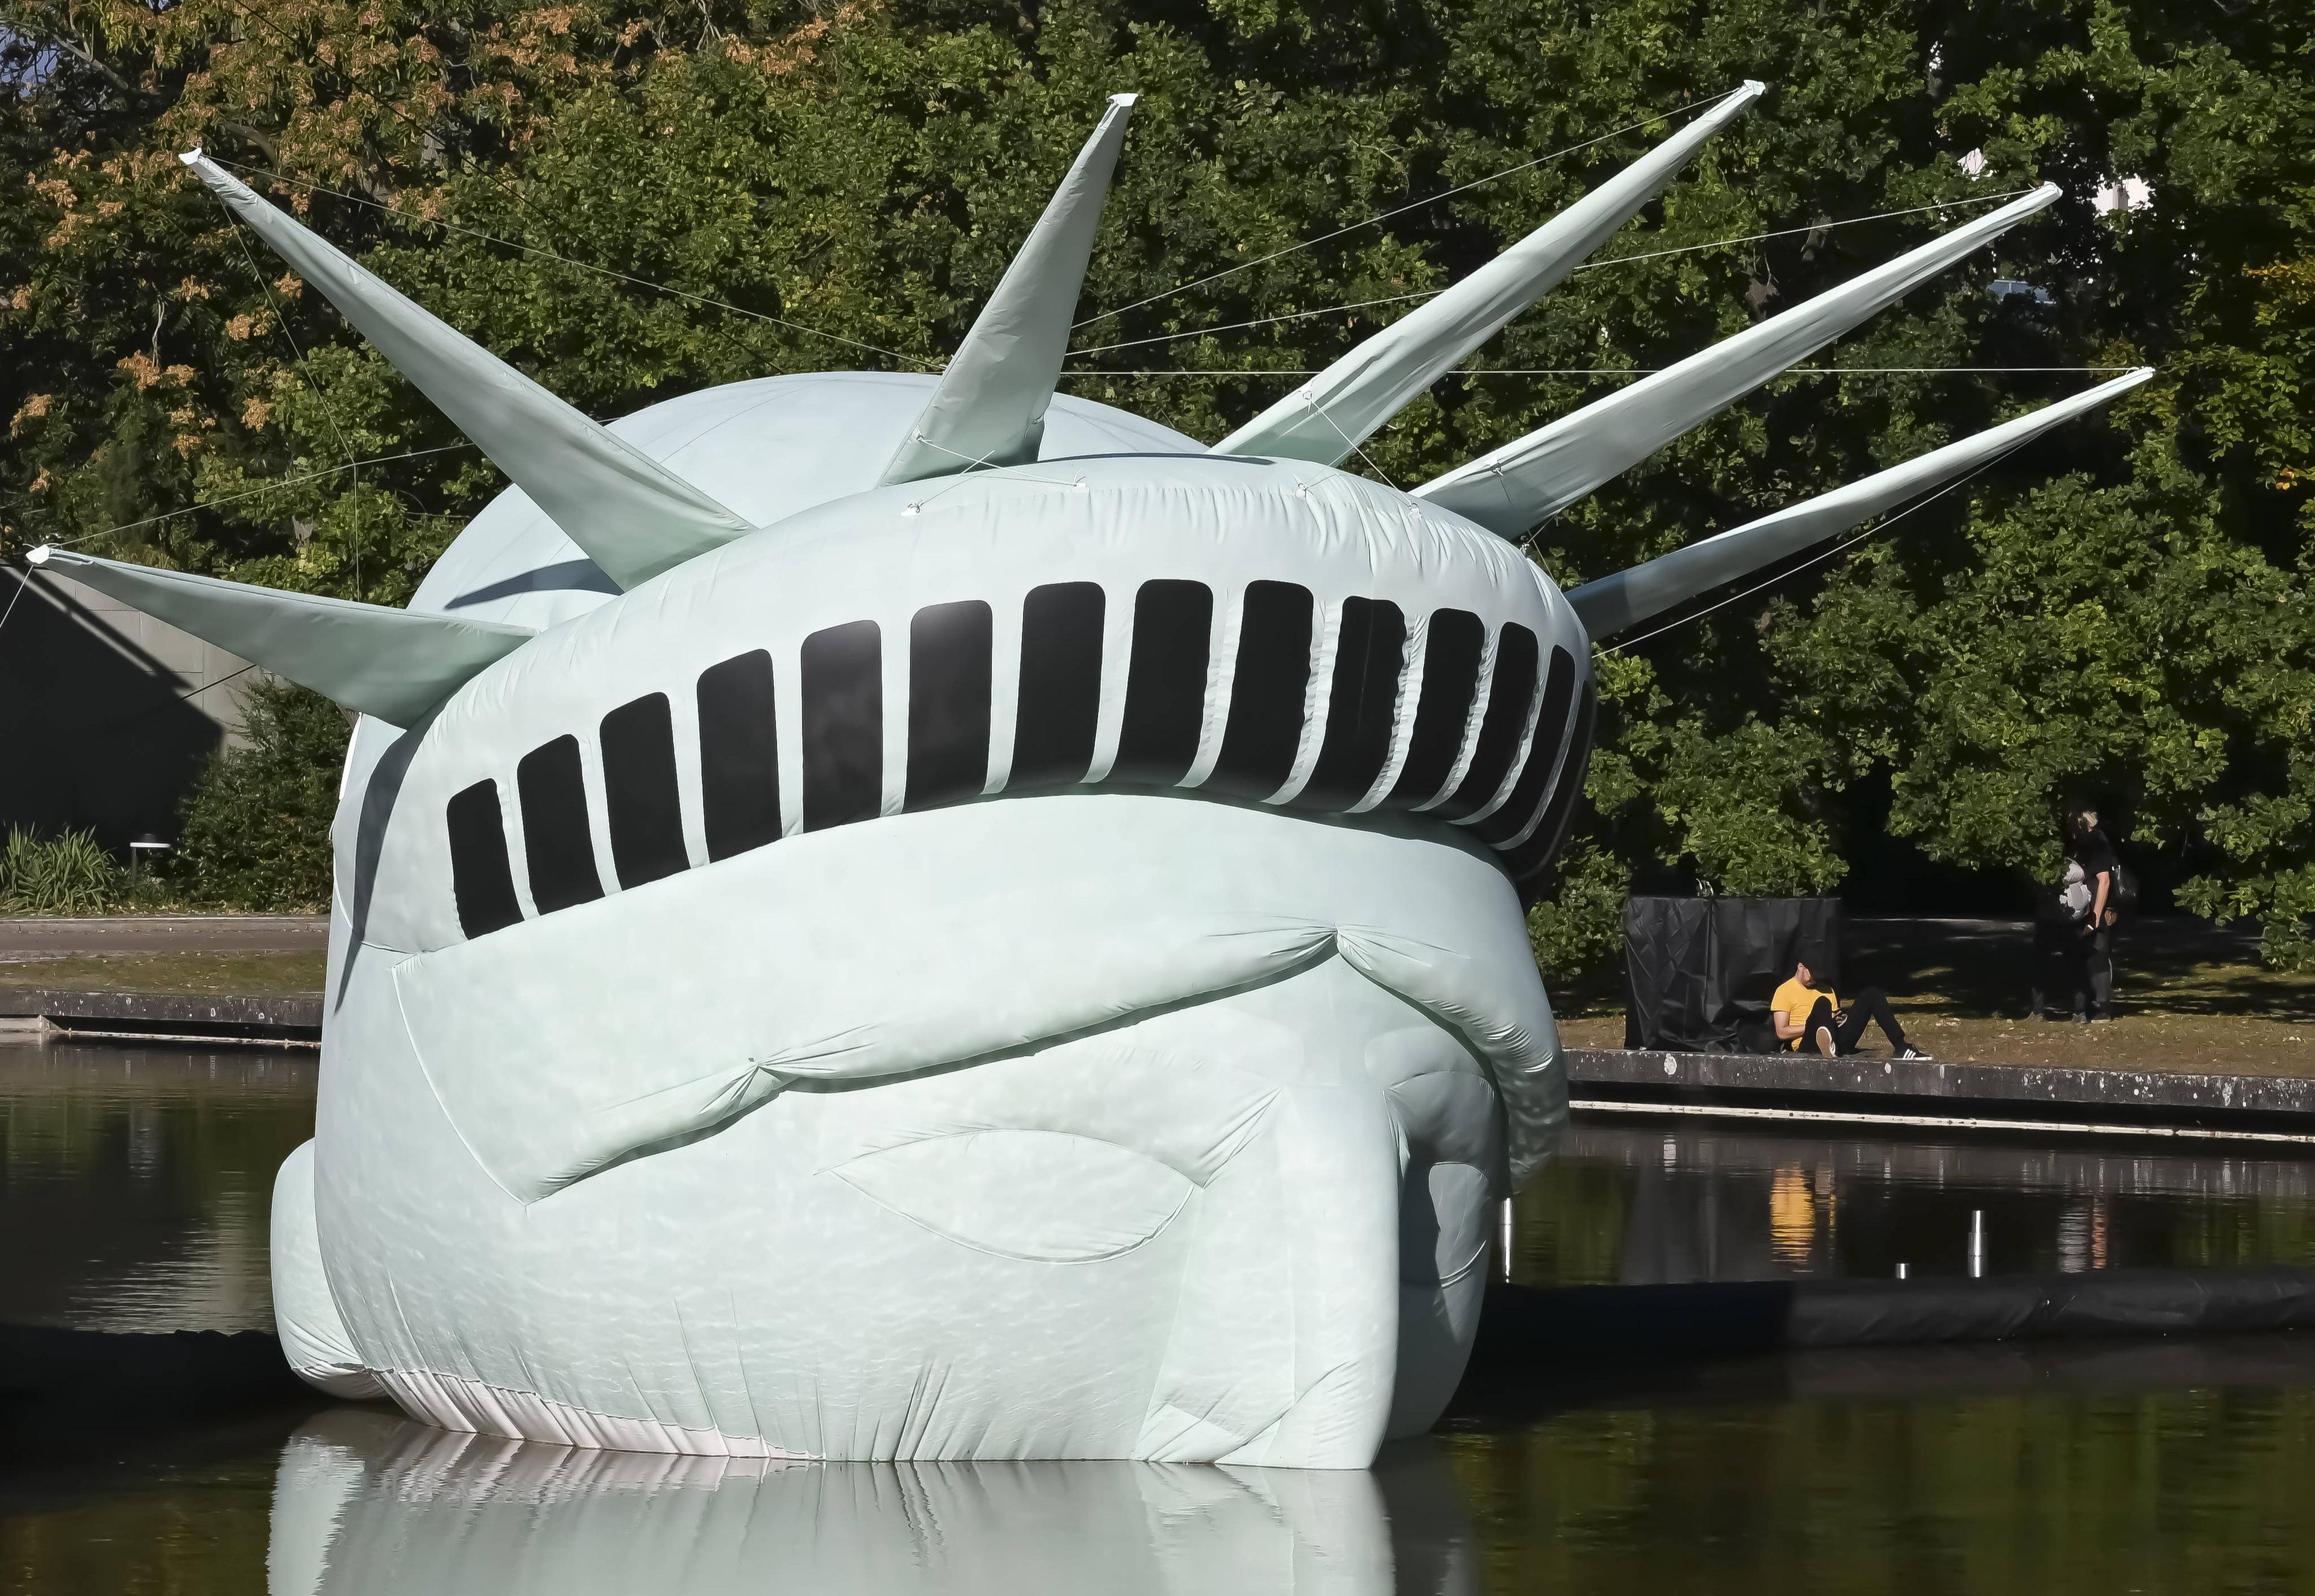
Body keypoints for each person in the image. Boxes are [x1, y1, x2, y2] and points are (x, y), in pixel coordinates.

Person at [1771, 958, 1929, 1058]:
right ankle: (1828, 1044)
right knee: (1822, 1002)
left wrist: (1841, 1020)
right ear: (1800, 967)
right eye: (1813, 976)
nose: (1815, 981)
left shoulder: (1826, 988)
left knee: (1871, 994)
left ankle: (1901, 1047)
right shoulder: (1784, 991)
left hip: (1838, 1041)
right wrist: (1816, 1026)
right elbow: (1781, 1032)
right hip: (1808, 1045)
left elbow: (1834, 1018)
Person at [2067, 806, 2119, 1022]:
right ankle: (2082, 1009)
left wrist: (2096, 916)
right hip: (2085, 909)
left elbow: (2104, 881)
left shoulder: (2097, 841)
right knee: (2083, 957)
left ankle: (2101, 1008)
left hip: (2098, 908)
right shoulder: (2085, 843)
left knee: (2098, 956)